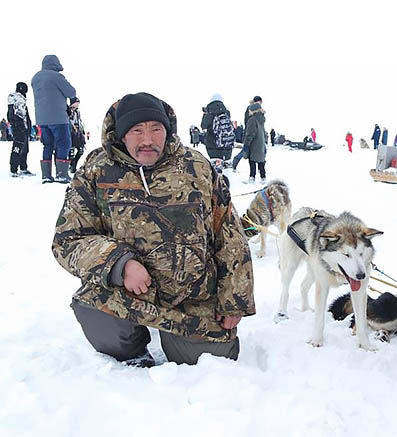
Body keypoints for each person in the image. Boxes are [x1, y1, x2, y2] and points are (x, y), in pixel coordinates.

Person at [52, 92, 255, 367]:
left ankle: (181, 339)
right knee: (94, 310)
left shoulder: (197, 167)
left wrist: (234, 300)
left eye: (155, 129)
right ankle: (133, 350)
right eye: (137, 130)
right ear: (122, 135)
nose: (147, 139)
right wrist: (120, 264)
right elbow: (69, 240)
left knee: (215, 361)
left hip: (193, 296)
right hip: (131, 293)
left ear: (167, 131)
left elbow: (229, 234)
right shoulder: (96, 171)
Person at [31, 54, 77, 183]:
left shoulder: (35, 78)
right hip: (58, 118)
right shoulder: (57, 76)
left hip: (42, 119)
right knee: (64, 143)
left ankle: (46, 175)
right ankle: (61, 174)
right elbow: (71, 92)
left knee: (47, 145)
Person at [7, 82, 35, 177]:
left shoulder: (19, 98)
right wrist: (20, 127)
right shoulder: (18, 99)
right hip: (20, 128)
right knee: (18, 148)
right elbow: (16, 115)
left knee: (24, 148)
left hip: (22, 127)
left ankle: (23, 168)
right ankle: (14, 170)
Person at [201, 93, 235, 161]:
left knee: (216, 168)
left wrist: (205, 114)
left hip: (213, 145)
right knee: (226, 169)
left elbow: (203, 125)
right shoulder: (226, 112)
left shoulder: (209, 112)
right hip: (227, 145)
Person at [232, 96, 262, 171]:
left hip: (256, 134)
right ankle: (235, 161)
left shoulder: (255, 109)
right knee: (246, 151)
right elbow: (249, 122)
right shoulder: (251, 109)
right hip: (251, 133)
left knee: (257, 151)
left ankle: (260, 168)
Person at [243, 102, 267, 184]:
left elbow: (250, 134)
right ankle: (263, 178)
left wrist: (246, 144)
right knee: (261, 162)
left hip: (253, 144)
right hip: (260, 144)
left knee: (252, 161)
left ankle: (252, 178)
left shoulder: (252, 120)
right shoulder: (262, 119)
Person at [67, 97, 86, 174]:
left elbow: (80, 122)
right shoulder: (68, 111)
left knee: (81, 150)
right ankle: (72, 165)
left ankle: (74, 162)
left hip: (78, 134)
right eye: (76, 103)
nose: (77, 105)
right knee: (71, 151)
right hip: (70, 133)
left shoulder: (78, 112)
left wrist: (83, 131)